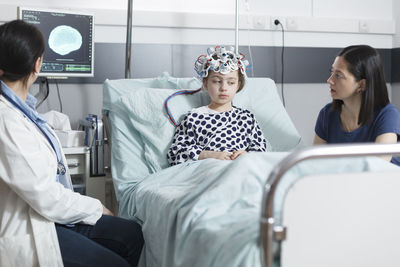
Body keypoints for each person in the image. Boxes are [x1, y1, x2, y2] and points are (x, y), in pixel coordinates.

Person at [0, 20, 144, 266]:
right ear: (38, 64)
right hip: (31, 224)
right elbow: (44, 196)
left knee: (131, 234)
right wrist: (95, 207)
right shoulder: (6, 119)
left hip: (48, 213)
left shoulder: (22, 111)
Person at [167, 46, 270, 166]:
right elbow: (176, 155)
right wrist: (211, 155)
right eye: (217, 81)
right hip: (208, 170)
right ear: (205, 83)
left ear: (238, 85)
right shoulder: (193, 118)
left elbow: (261, 152)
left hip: (242, 168)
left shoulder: (246, 118)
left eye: (231, 82)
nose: (224, 88)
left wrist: (246, 155)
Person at [313, 44, 400, 166]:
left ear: (361, 85)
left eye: (338, 75)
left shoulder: (387, 115)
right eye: (332, 72)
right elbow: (315, 164)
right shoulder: (326, 114)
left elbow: (379, 167)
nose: (330, 80)